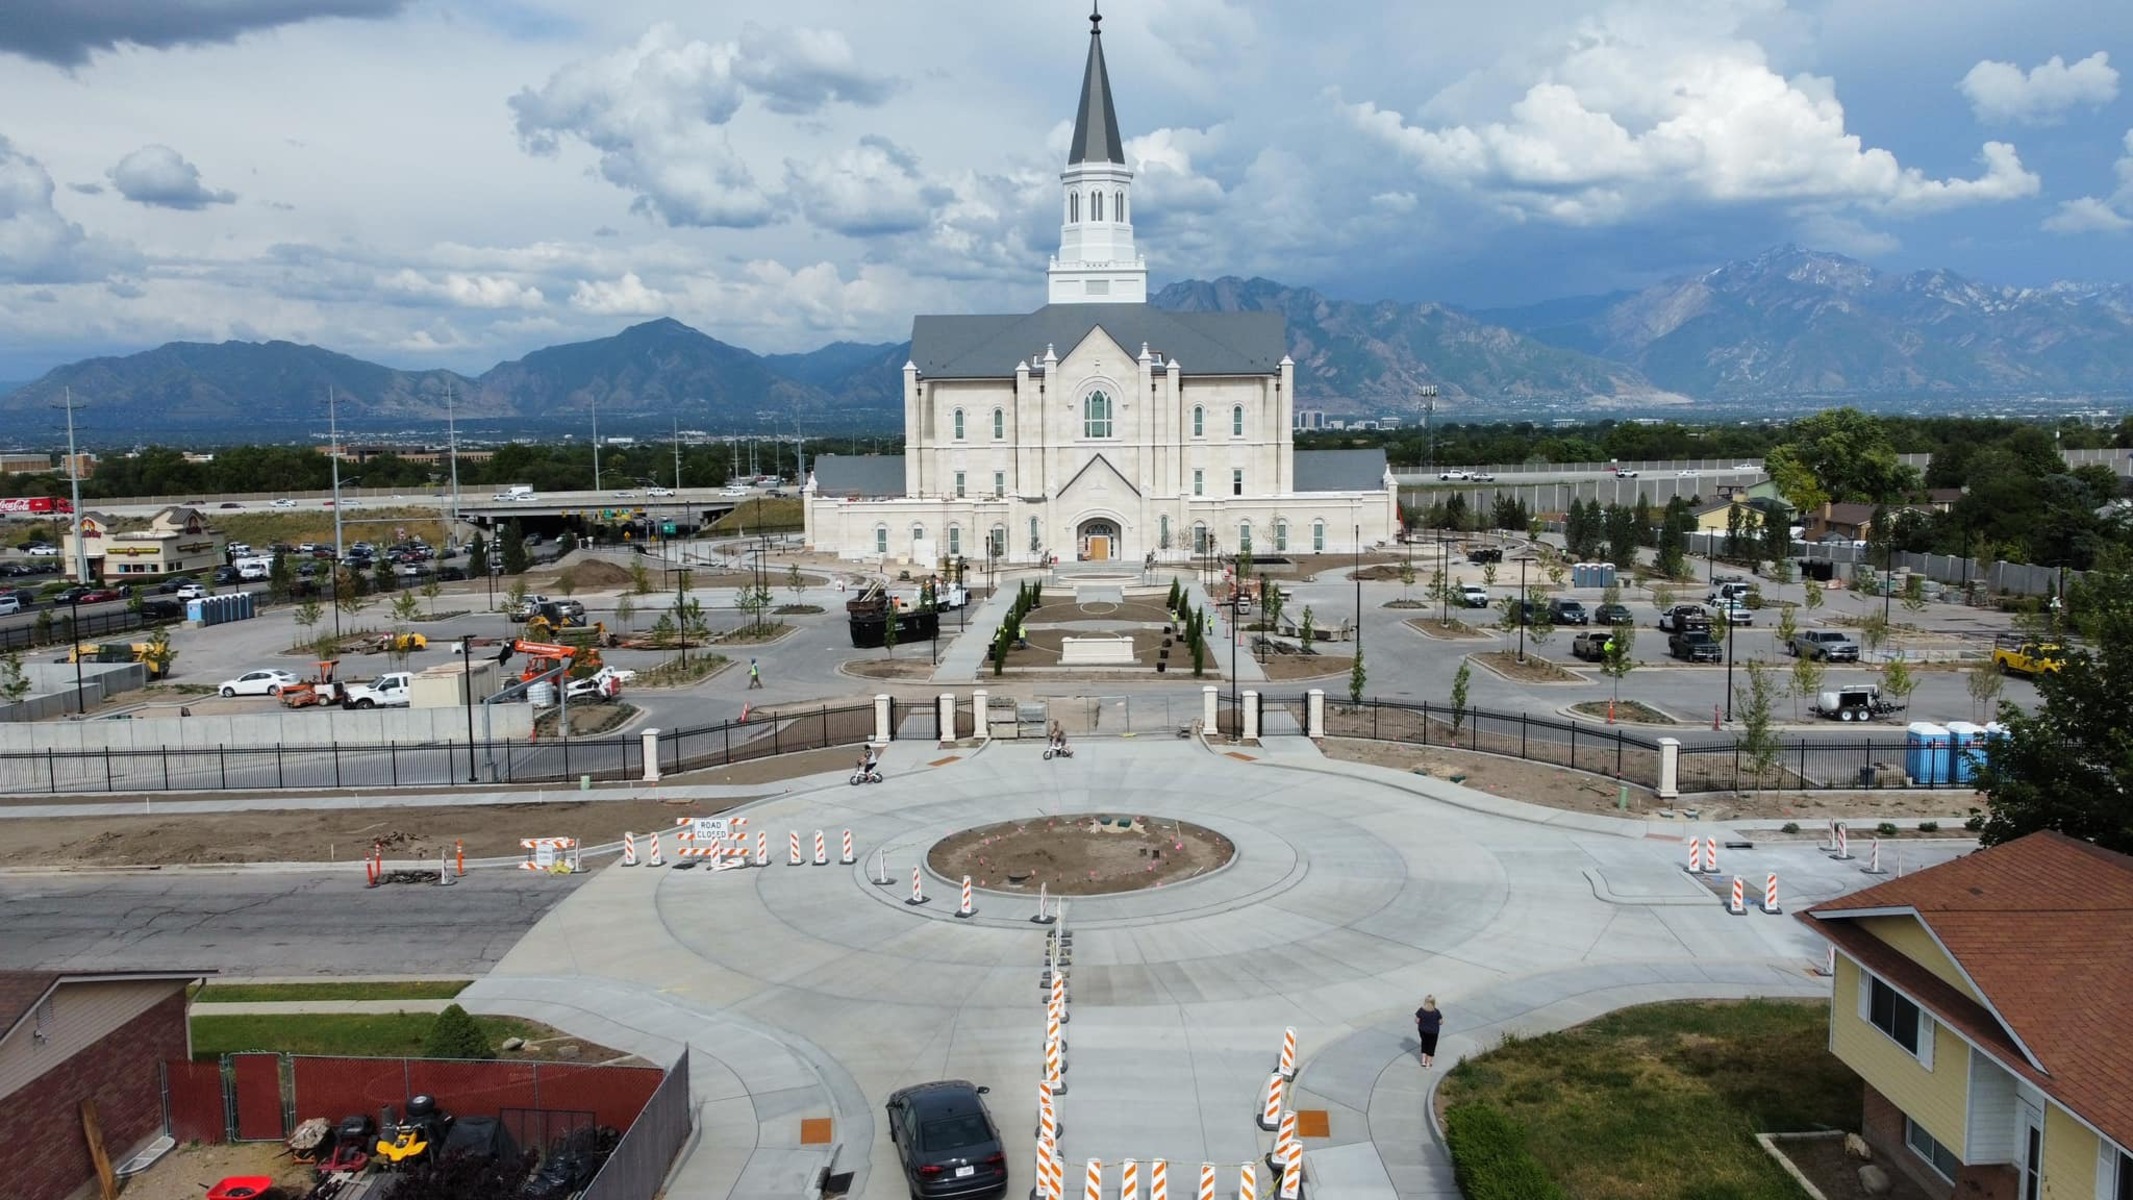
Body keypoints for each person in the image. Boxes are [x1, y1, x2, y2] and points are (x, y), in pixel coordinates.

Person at [1415, 996, 1442, 1068]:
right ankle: (1428, 1063)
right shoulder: (1436, 1012)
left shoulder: (1421, 1010)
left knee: (1424, 1043)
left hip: (1423, 1031)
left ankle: (1423, 1061)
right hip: (1433, 1032)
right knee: (1431, 1046)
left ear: (1425, 1002)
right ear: (1434, 1002)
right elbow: (1440, 1022)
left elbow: (1417, 1020)